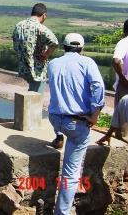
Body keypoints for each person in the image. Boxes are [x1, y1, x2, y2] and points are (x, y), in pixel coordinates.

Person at [47, 33, 105, 215]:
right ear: (81, 48)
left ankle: (57, 136)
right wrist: (95, 114)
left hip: (55, 118)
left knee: (62, 128)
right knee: (70, 173)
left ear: (64, 47)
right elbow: (98, 86)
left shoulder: (53, 63)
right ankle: (61, 212)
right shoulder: (87, 63)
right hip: (76, 123)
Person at [12, 3, 61, 147]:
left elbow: (15, 44)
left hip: (23, 66)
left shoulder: (19, 25)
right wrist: (46, 55)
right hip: (37, 68)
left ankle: (24, 121)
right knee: (36, 95)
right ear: (44, 15)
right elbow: (55, 42)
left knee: (30, 92)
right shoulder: (40, 27)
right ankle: (31, 125)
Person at [97, 20, 128, 145]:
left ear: (124, 30)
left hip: (125, 83)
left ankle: (121, 139)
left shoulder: (124, 43)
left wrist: (122, 78)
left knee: (122, 113)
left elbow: (116, 61)